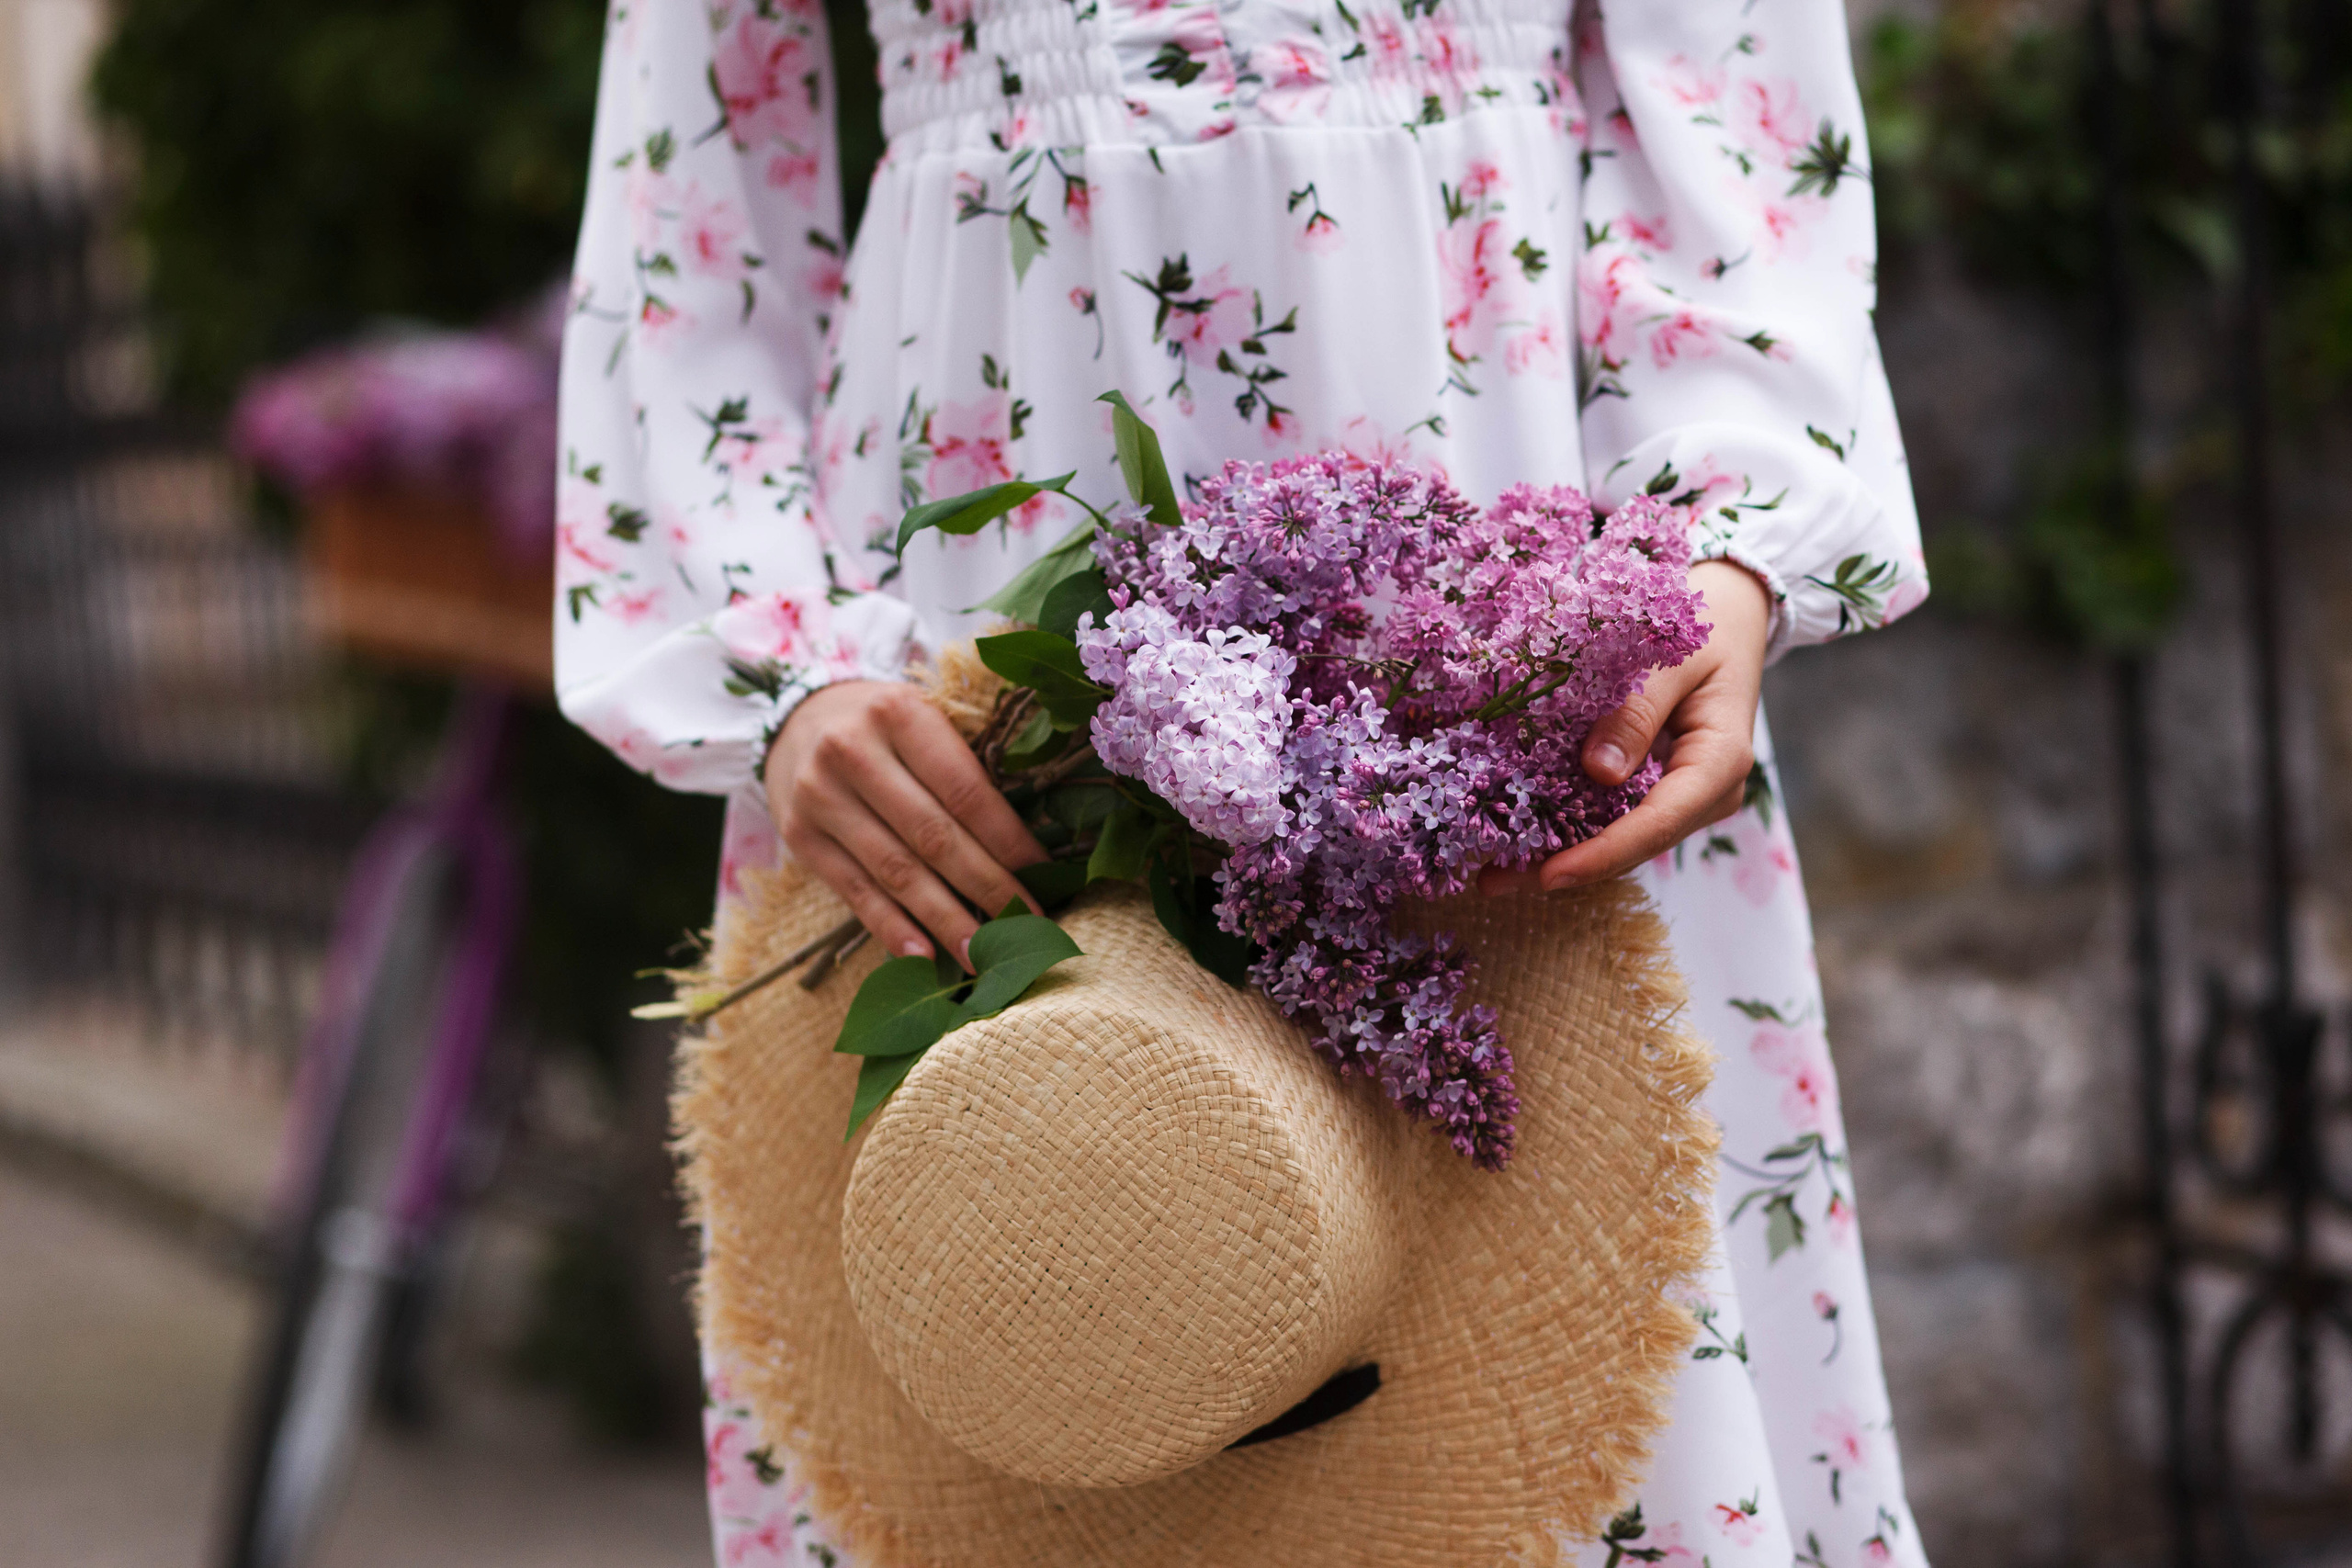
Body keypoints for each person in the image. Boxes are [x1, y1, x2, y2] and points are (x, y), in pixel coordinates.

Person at [555, 0, 1932, 1561]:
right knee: (1051, 1343)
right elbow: (695, 169)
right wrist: (778, 662)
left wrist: (1726, 540)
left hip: (1499, 530)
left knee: (1591, 1382)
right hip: (968, 582)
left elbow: (1735, 74)